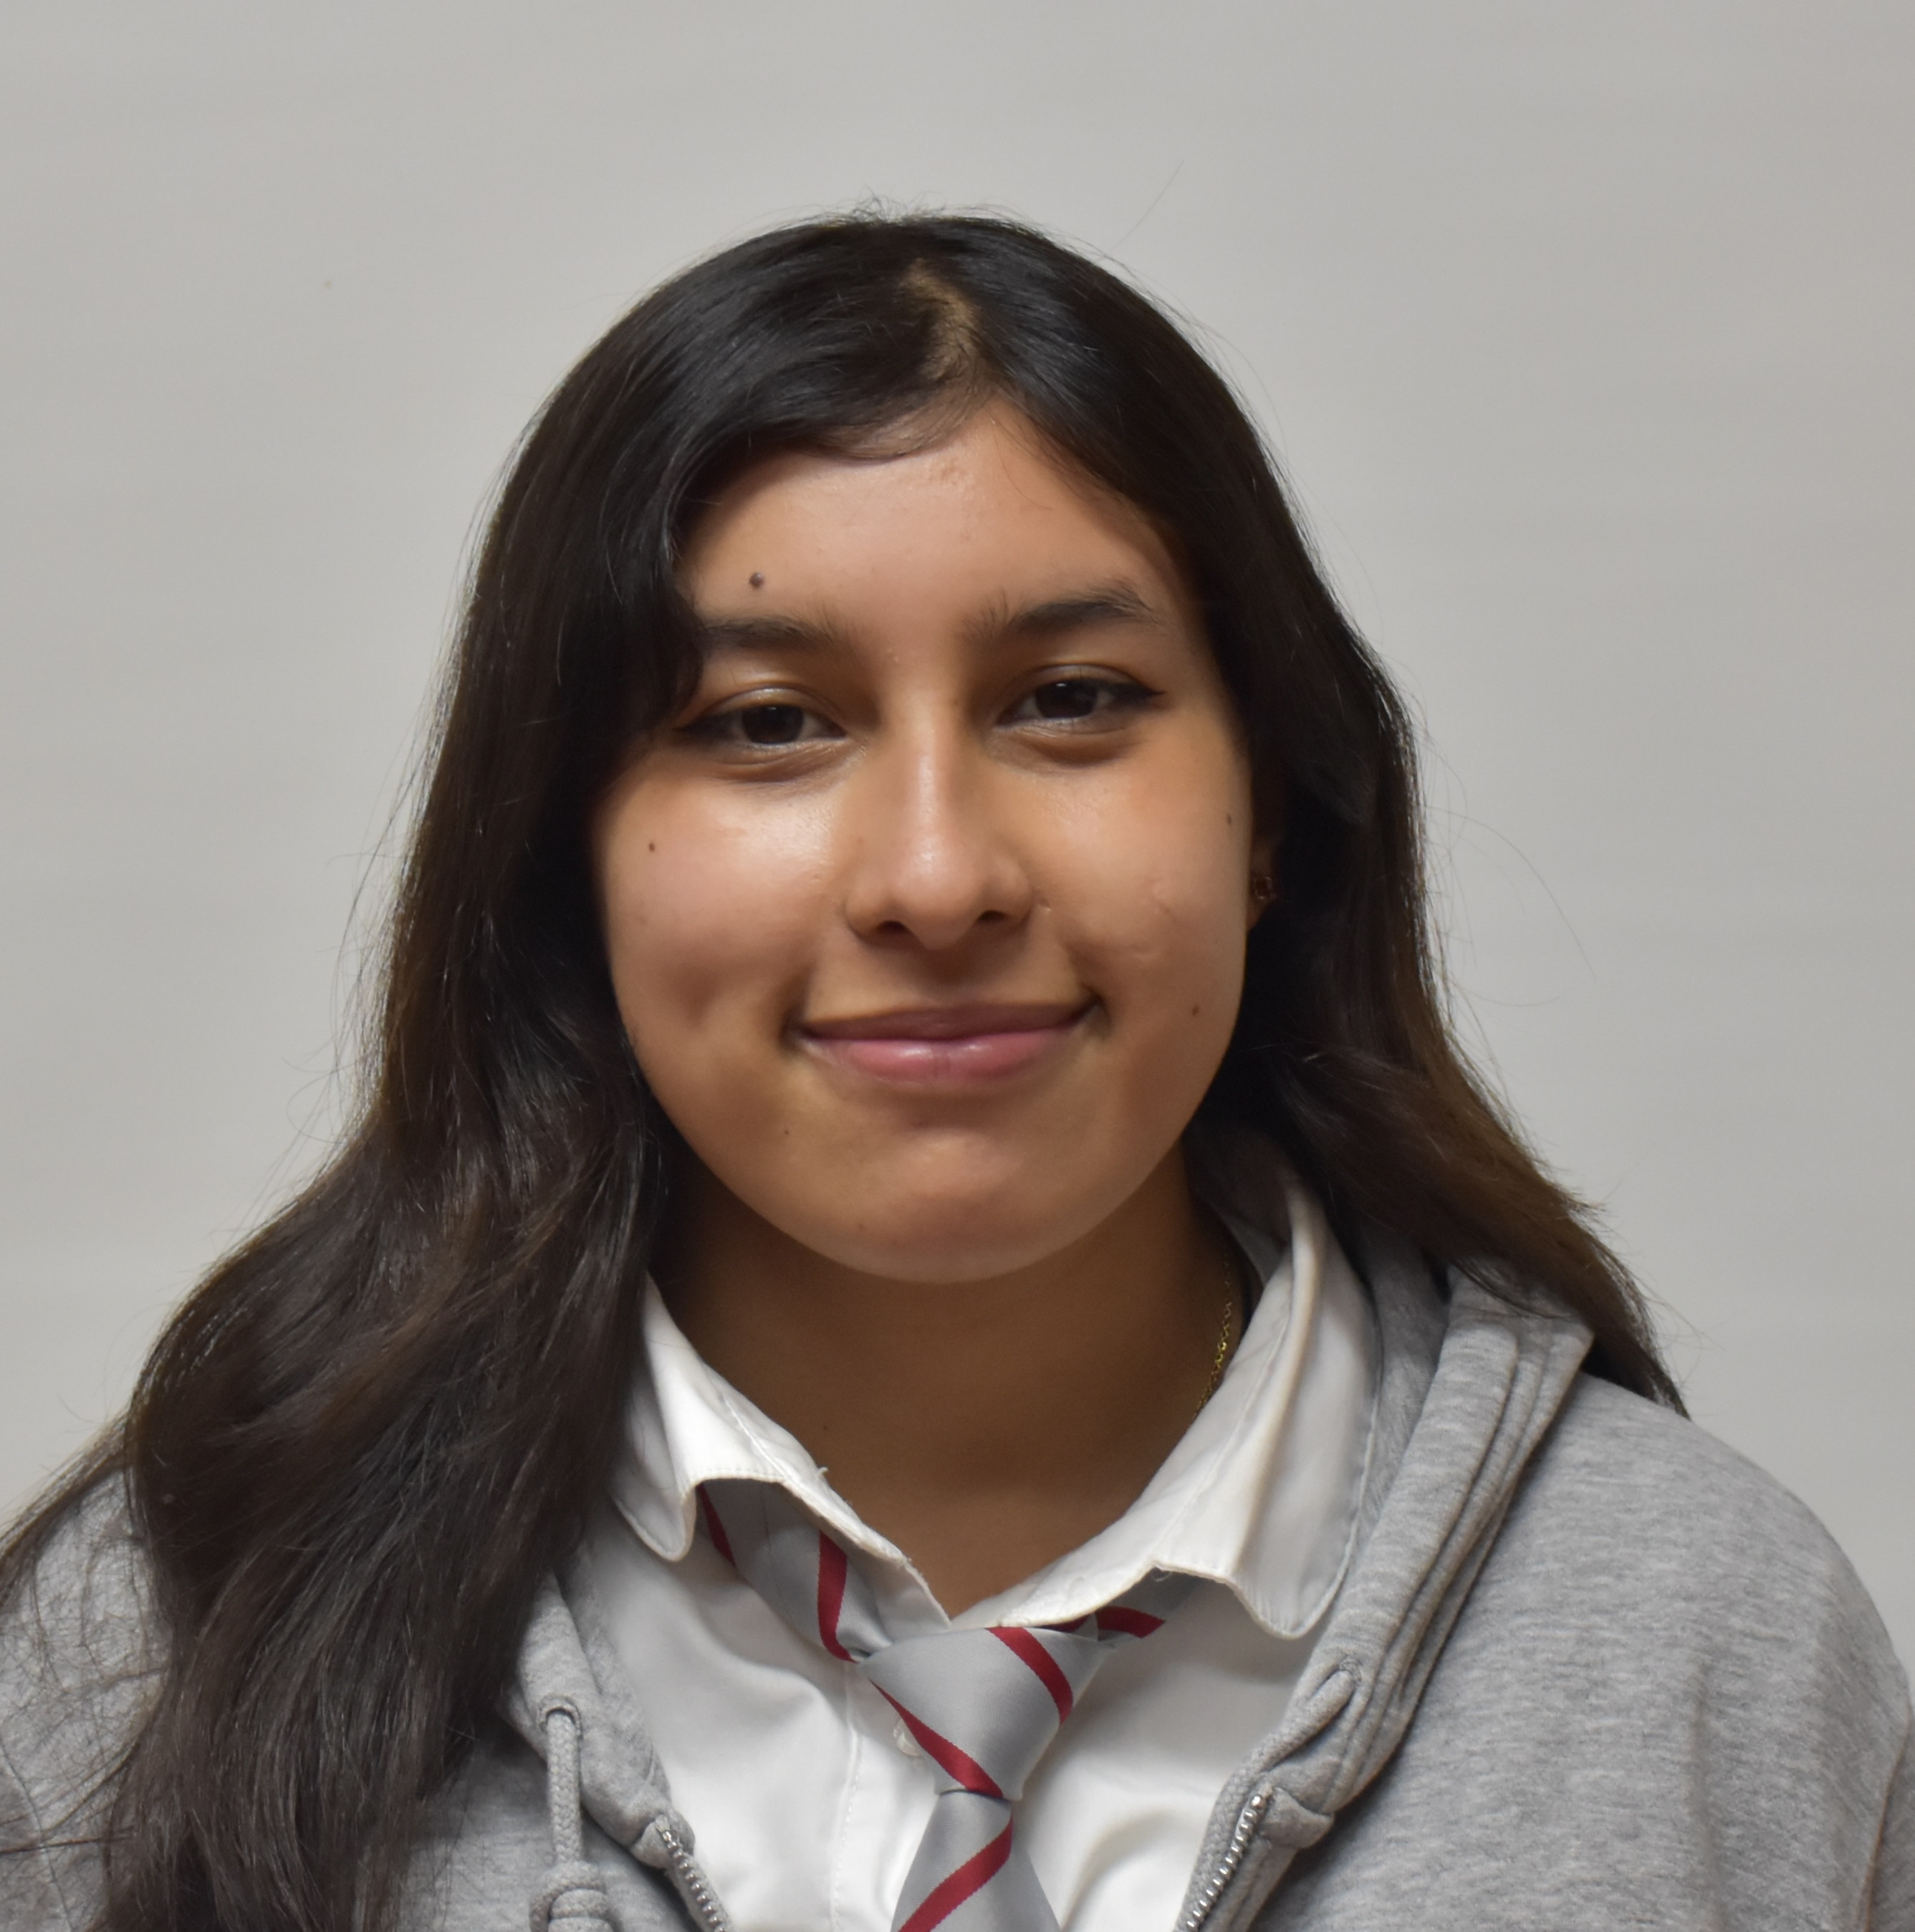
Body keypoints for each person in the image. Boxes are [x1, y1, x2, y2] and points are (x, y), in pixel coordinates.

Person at [0, 213, 1906, 1932]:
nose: (935, 876)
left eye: (1070, 701)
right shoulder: (163, 1638)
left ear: (1268, 811)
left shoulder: (1709, 1632)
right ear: (565, 854)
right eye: (768, 722)